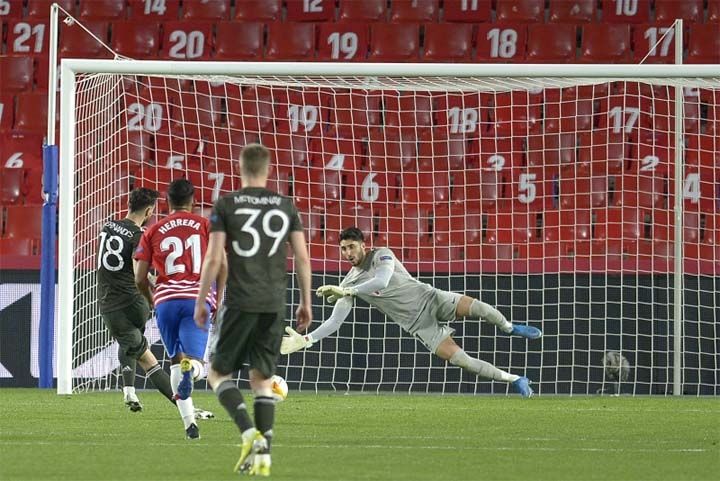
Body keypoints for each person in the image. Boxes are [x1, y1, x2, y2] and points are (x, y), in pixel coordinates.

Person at [281, 226, 542, 398]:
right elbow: (336, 319)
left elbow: (382, 281)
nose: (348, 253)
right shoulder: (348, 283)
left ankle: (509, 328)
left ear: (363, 245)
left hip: (431, 298)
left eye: (352, 247)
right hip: (418, 325)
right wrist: (307, 340)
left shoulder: (382, 255)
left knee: (481, 308)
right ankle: (516, 379)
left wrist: (347, 292)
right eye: (343, 249)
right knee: (462, 360)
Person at [194, 143, 313, 476]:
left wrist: (202, 299)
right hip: (274, 302)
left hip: (240, 300)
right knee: (262, 381)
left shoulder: (226, 205)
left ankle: (249, 434)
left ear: (240, 168)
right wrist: (306, 301)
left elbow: (214, 258)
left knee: (218, 374)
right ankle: (265, 456)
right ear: (269, 169)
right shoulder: (285, 205)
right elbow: (302, 258)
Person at [135, 178, 226, 440]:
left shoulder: (153, 230)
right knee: (196, 365)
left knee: (176, 362)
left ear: (167, 202)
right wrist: (218, 299)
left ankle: (190, 426)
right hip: (196, 299)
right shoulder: (207, 226)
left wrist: (154, 299)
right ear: (194, 201)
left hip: (165, 301)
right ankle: (193, 372)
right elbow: (221, 265)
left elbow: (140, 278)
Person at [96, 187, 177, 412]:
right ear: (149, 210)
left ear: (129, 204)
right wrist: (154, 286)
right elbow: (137, 270)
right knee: (130, 341)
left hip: (115, 303)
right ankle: (129, 391)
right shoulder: (139, 235)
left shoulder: (108, 226)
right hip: (134, 303)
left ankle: (184, 407)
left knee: (147, 359)